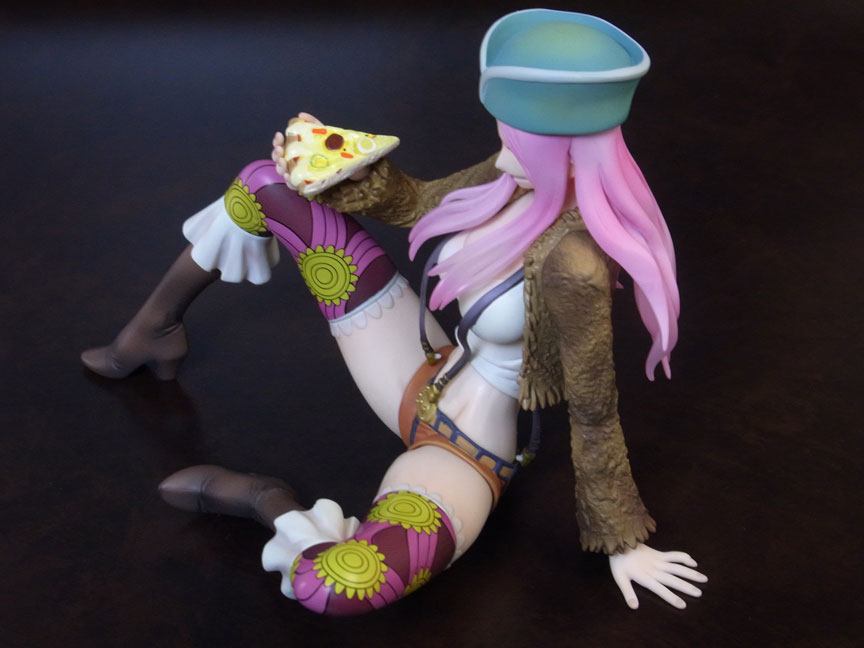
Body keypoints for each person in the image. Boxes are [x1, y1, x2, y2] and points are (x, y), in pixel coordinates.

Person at [83, 10, 706, 615]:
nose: (502, 152)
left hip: (467, 453)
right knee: (266, 182)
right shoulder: (506, 179)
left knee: (339, 585)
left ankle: (267, 500)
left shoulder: (574, 265)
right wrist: (330, 158)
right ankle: (153, 331)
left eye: (518, 141)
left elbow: (595, 410)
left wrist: (622, 540)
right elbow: (415, 203)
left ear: (568, 149)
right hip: (420, 369)